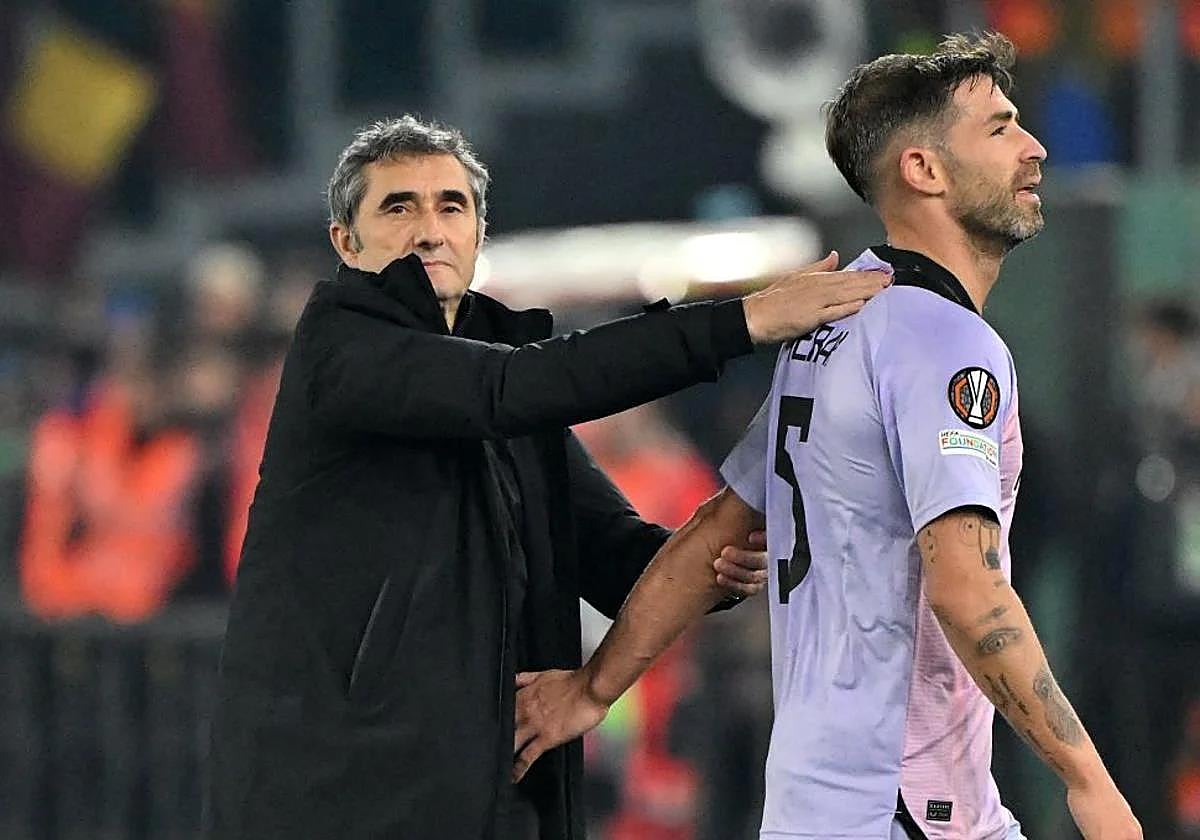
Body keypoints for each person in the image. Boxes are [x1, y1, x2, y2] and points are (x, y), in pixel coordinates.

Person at [511, 33, 1143, 840]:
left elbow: (713, 532)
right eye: (1000, 127)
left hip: (811, 805)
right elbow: (967, 590)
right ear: (923, 170)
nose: (1034, 146)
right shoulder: (945, 341)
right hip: (909, 804)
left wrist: (594, 690)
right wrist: (1092, 786)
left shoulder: (830, 328)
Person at [205, 115, 888, 840]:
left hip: (491, 789)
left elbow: (619, 557)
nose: (429, 230)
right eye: (398, 207)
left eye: (451, 206)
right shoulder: (345, 348)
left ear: (477, 232)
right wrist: (740, 322)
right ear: (346, 242)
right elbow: (516, 386)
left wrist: (716, 558)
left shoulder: (501, 379)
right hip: (345, 799)